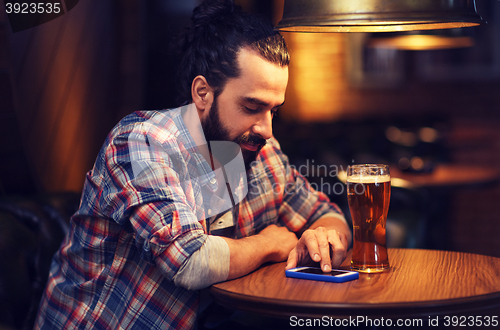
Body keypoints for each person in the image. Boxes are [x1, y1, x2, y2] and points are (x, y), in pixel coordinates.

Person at [34, 0, 352, 329]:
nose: (267, 129)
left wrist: (324, 238)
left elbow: (325, 214)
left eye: (273, 110)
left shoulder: (260, 151)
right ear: (202, 93)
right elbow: (190, 261)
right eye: (251, 106)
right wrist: (272, 242)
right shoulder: (143, 142)